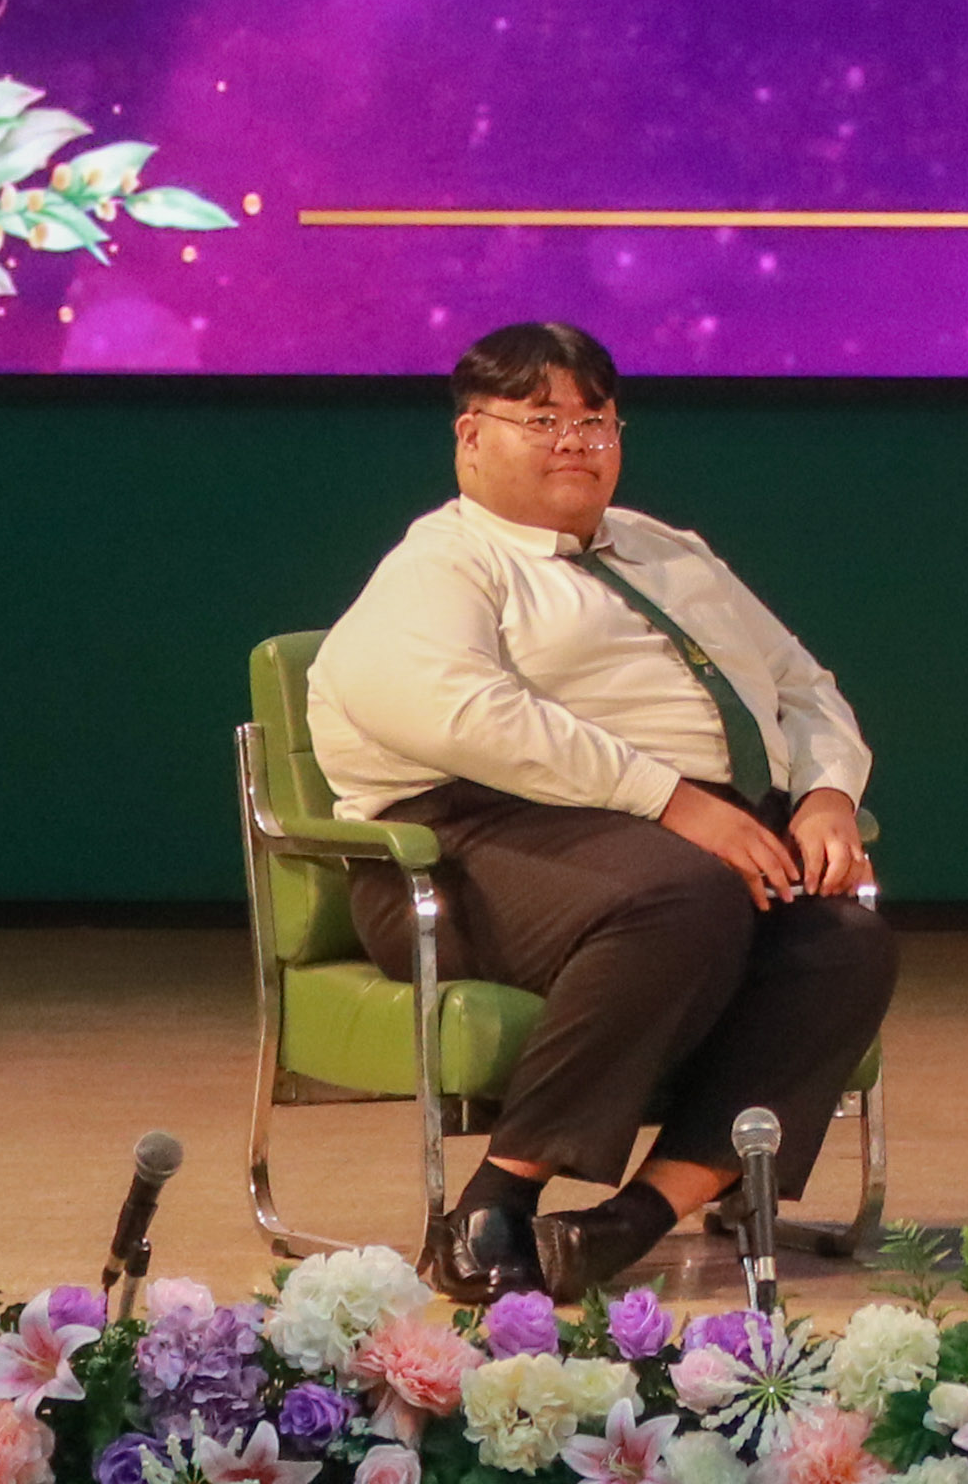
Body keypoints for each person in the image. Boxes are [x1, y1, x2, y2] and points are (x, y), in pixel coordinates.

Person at [305, 322, 897, 1308]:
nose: (575, 440)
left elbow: (801, 684)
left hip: (671, 849)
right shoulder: (444, 562)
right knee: (684, 893)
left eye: (595, 420)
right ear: (471, 436)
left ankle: (627, 1224)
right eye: (542, 419)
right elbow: (458, 710)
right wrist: (673, 800)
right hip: (466, 848)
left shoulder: (669, 551)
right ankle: (496, 1202)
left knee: (845, 941)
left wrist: (828, 789)